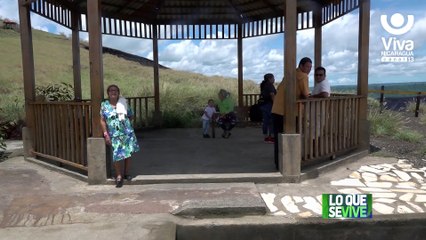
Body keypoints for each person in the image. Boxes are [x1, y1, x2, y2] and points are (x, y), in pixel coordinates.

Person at [271, 57, 312, 169]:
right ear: (301, 66)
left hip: (276, 110)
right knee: (293, 137)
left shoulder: (290, 74)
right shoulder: (302, 76)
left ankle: (278, 164)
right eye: (307, 67)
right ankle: (291, 164)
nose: (309, 70)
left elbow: (279, 88)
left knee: (278, 138)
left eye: (310, 67)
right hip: (289, 112)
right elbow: (306, 94)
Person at [100, 84, 140, 188]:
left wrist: (125, 125)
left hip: (127, 132)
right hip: (115, 135)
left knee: (128, 153)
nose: (113, 92)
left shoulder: (123, 103)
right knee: (117, 155)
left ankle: (126, 173)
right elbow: (102, 121)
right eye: (111, 90)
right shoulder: (104, 105)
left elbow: (131, 115)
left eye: (115, 90)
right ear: (108, 93)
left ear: (118, 93)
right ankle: (119, 176)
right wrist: (106, 134)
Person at [259, 73, 276, 143]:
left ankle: (265, 136)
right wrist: (275, 103)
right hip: (269, 105)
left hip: (263, 105)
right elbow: (272, 95)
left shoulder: (263, 85)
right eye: (273, 78)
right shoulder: (270, 86)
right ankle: (271, 137)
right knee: (271, 121)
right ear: (269, 79)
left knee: (265, 121)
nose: (274, 79)